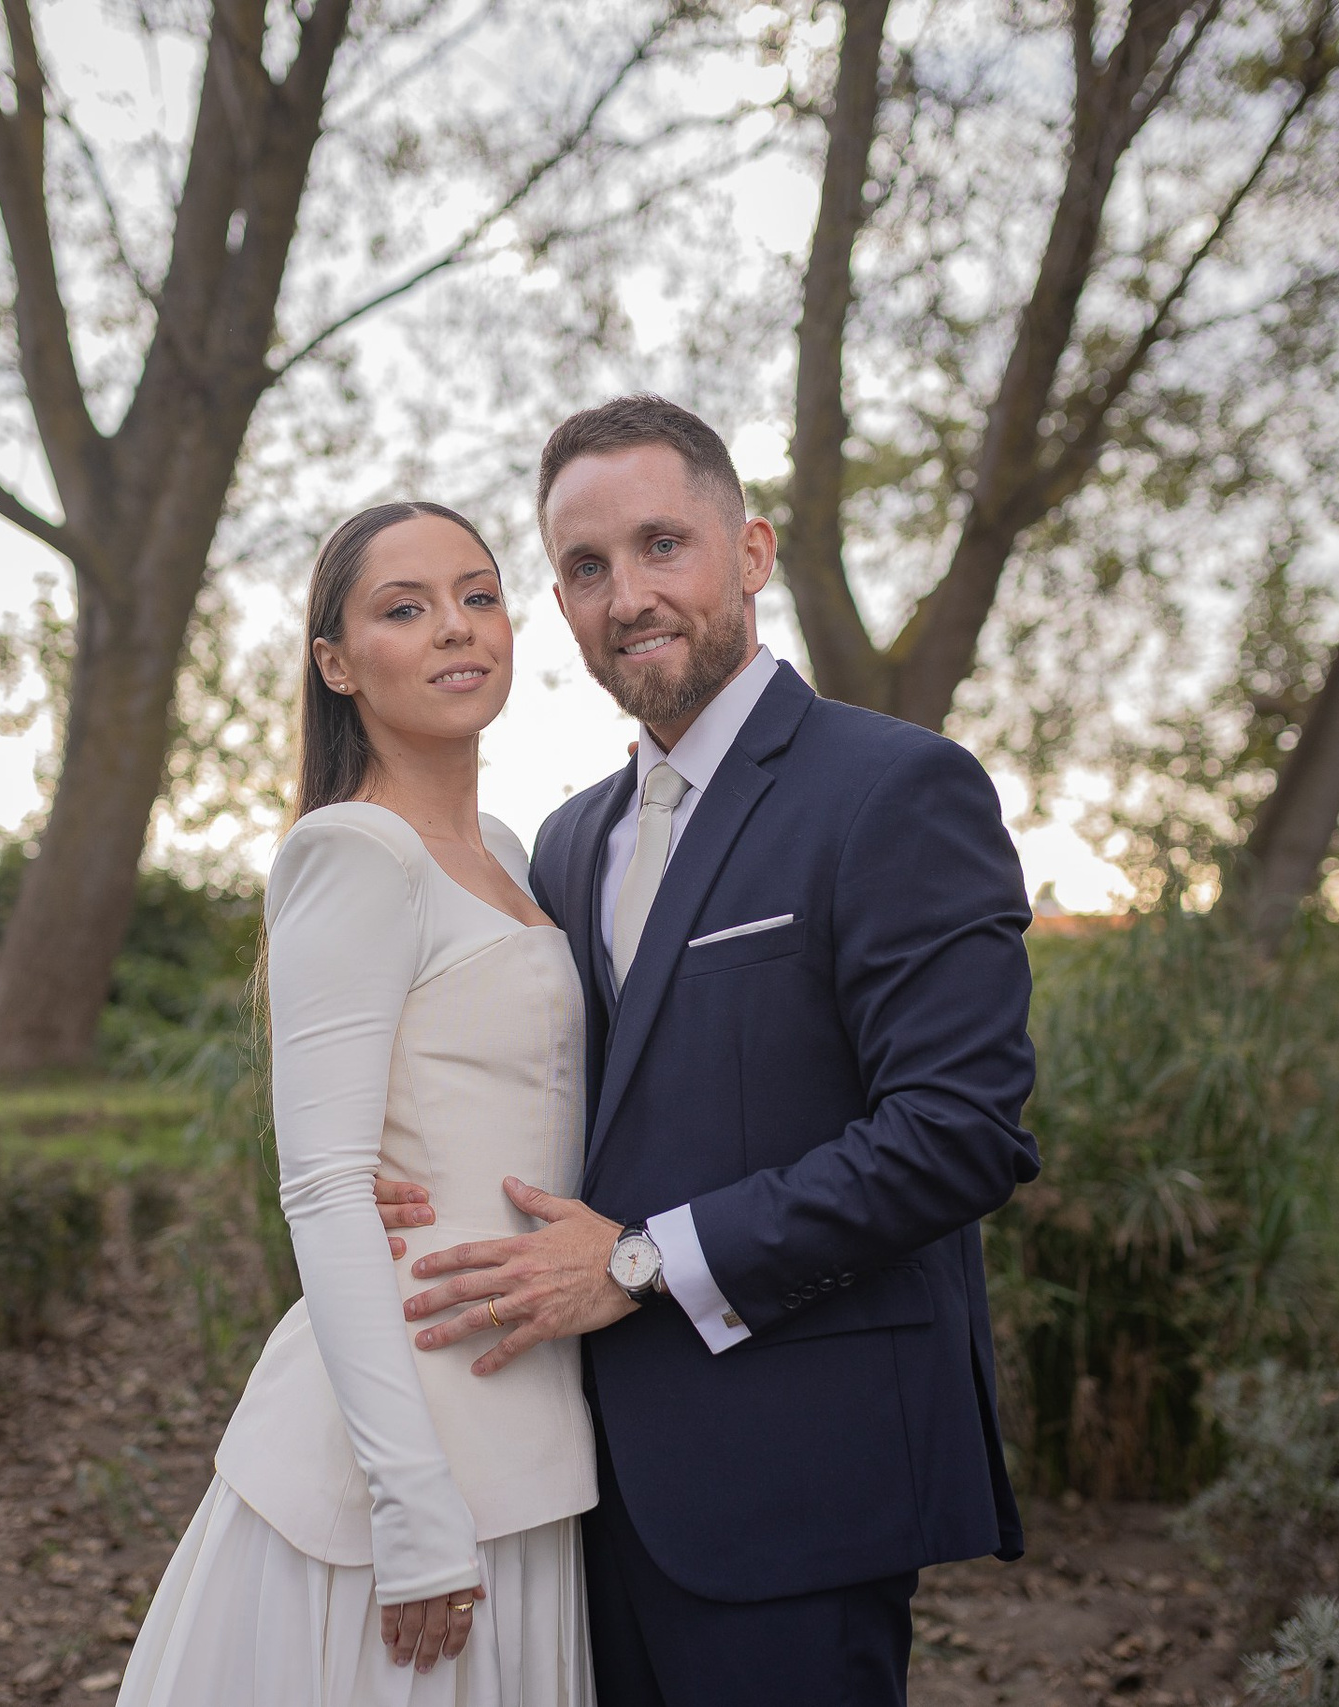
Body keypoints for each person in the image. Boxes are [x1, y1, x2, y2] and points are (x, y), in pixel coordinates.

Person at [375, 395, 1043, 1706]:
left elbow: (959, 1130)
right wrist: (412, 1178)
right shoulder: (565, 842)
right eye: (585, 567)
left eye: (662, 544)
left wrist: (637, 1259)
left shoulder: (897, 789)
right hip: (580, 1478)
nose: (629, 593)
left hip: (800, 1475)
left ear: (750, 550)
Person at [121, 501, 597, 1706]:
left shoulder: (505, 847)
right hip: (409, 1452)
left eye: (478, 595)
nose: (457, 628)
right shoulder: (352, 850)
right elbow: (326, 1188)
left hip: (530, 1425)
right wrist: (413, 1505)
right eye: (405, 608)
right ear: (335, 664)